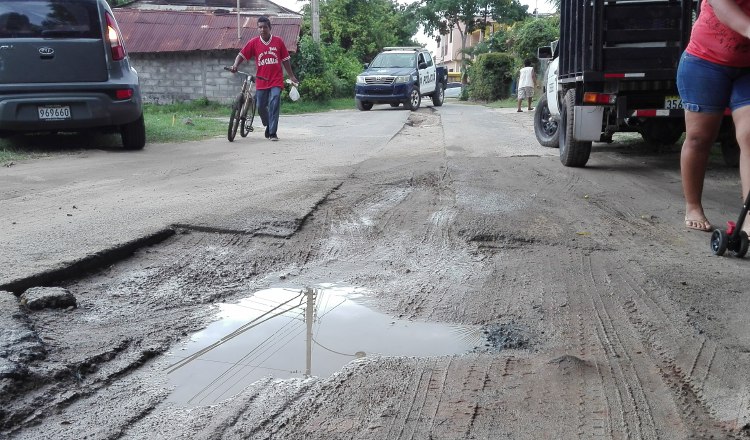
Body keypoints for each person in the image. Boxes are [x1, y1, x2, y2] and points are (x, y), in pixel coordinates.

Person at [677, 0, 750, 232]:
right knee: (700, 138)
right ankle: (693, 206)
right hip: (705, 62)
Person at [229, 16, 298, 142]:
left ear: (269, 28)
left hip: (276, 80)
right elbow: (241, 55)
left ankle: (273, 133)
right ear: (257, 29)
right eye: (260, 27)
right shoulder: (254, 42)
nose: (262, 29)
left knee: (275, 101)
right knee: (260, 106)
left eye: (265, 27)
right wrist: (235, 65)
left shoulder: (278, 41)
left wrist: (291, 76)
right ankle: (268, 124)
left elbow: (286, 60)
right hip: (261, 80)